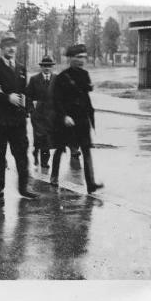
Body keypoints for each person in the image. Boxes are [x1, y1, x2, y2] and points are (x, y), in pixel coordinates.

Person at [0, 32, 39, 199]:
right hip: (0, 120)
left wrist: (26, 107)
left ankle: (24, 188)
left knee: (21, 154)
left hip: (18, 120)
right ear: (1, 48)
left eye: (13, 45)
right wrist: (6, 97)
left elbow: (24, 91)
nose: (11, 48)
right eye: (7, 45)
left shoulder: (21, 67)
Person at [50, 43, 104, 194]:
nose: (82, 60)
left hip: (81, 121)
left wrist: (89, 114)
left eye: (84, 57)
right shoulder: (61, 77)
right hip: (66, 122)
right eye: (78, 57)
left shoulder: (85, 74)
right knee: (60, 149)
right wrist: (64, 116)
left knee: (86, 150)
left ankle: (91, 183)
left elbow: (85, 96)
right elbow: (56, 100)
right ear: (70, 58)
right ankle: (54, 176)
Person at [26, 54, 56, 168]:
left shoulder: (56, 79)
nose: (47, 68)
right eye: (45, 66)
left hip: (51, 115)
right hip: (38, 115)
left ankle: (43, 160)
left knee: (47, 139)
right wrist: (31, 110)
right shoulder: (34, 79)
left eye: (49, 66)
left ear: (52, 67)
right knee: (40, 137)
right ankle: (38, 152)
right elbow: (28, 96)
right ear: (41, 67)